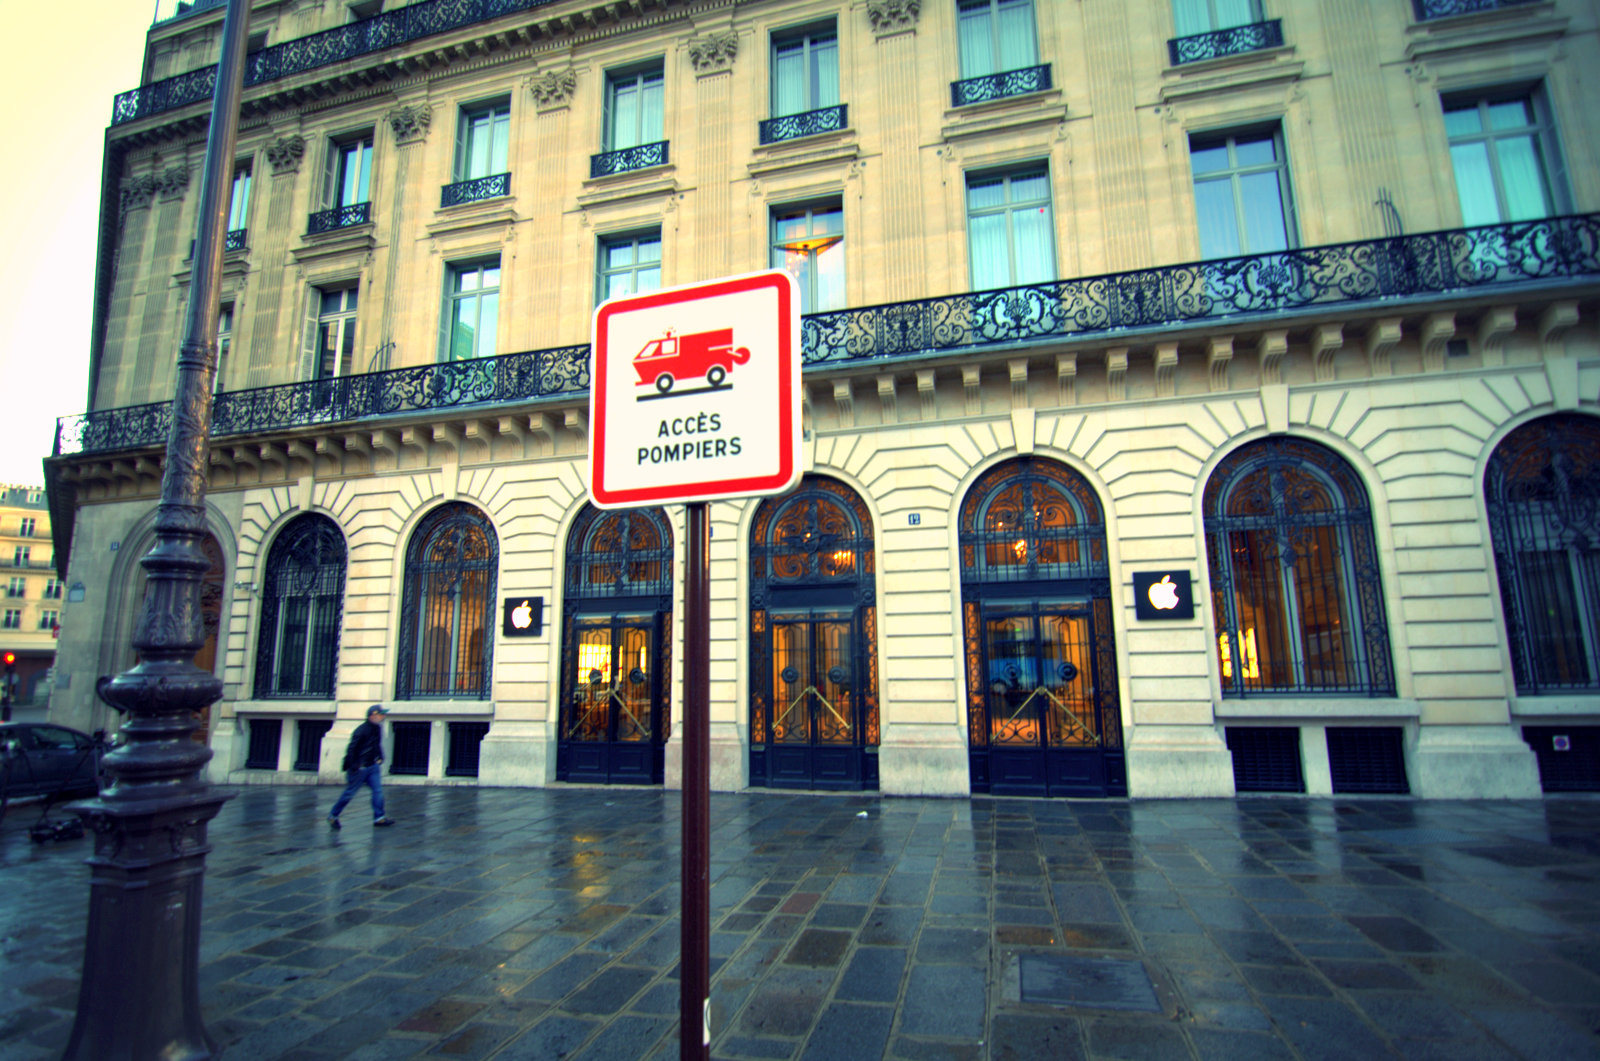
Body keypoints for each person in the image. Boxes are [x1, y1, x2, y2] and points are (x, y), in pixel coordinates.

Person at [328, 705, 395, 828]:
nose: (383, 716)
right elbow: (352, 748)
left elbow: (376, 744)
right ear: (373, 716)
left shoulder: (377, 728)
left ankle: (379, 817)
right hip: (360, 768)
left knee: (378, 791)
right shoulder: (361, 730)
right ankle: (333, 815)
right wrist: (354, 765)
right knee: (350, 793)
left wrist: (380, 757)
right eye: (381, 714)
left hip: (372, 766)